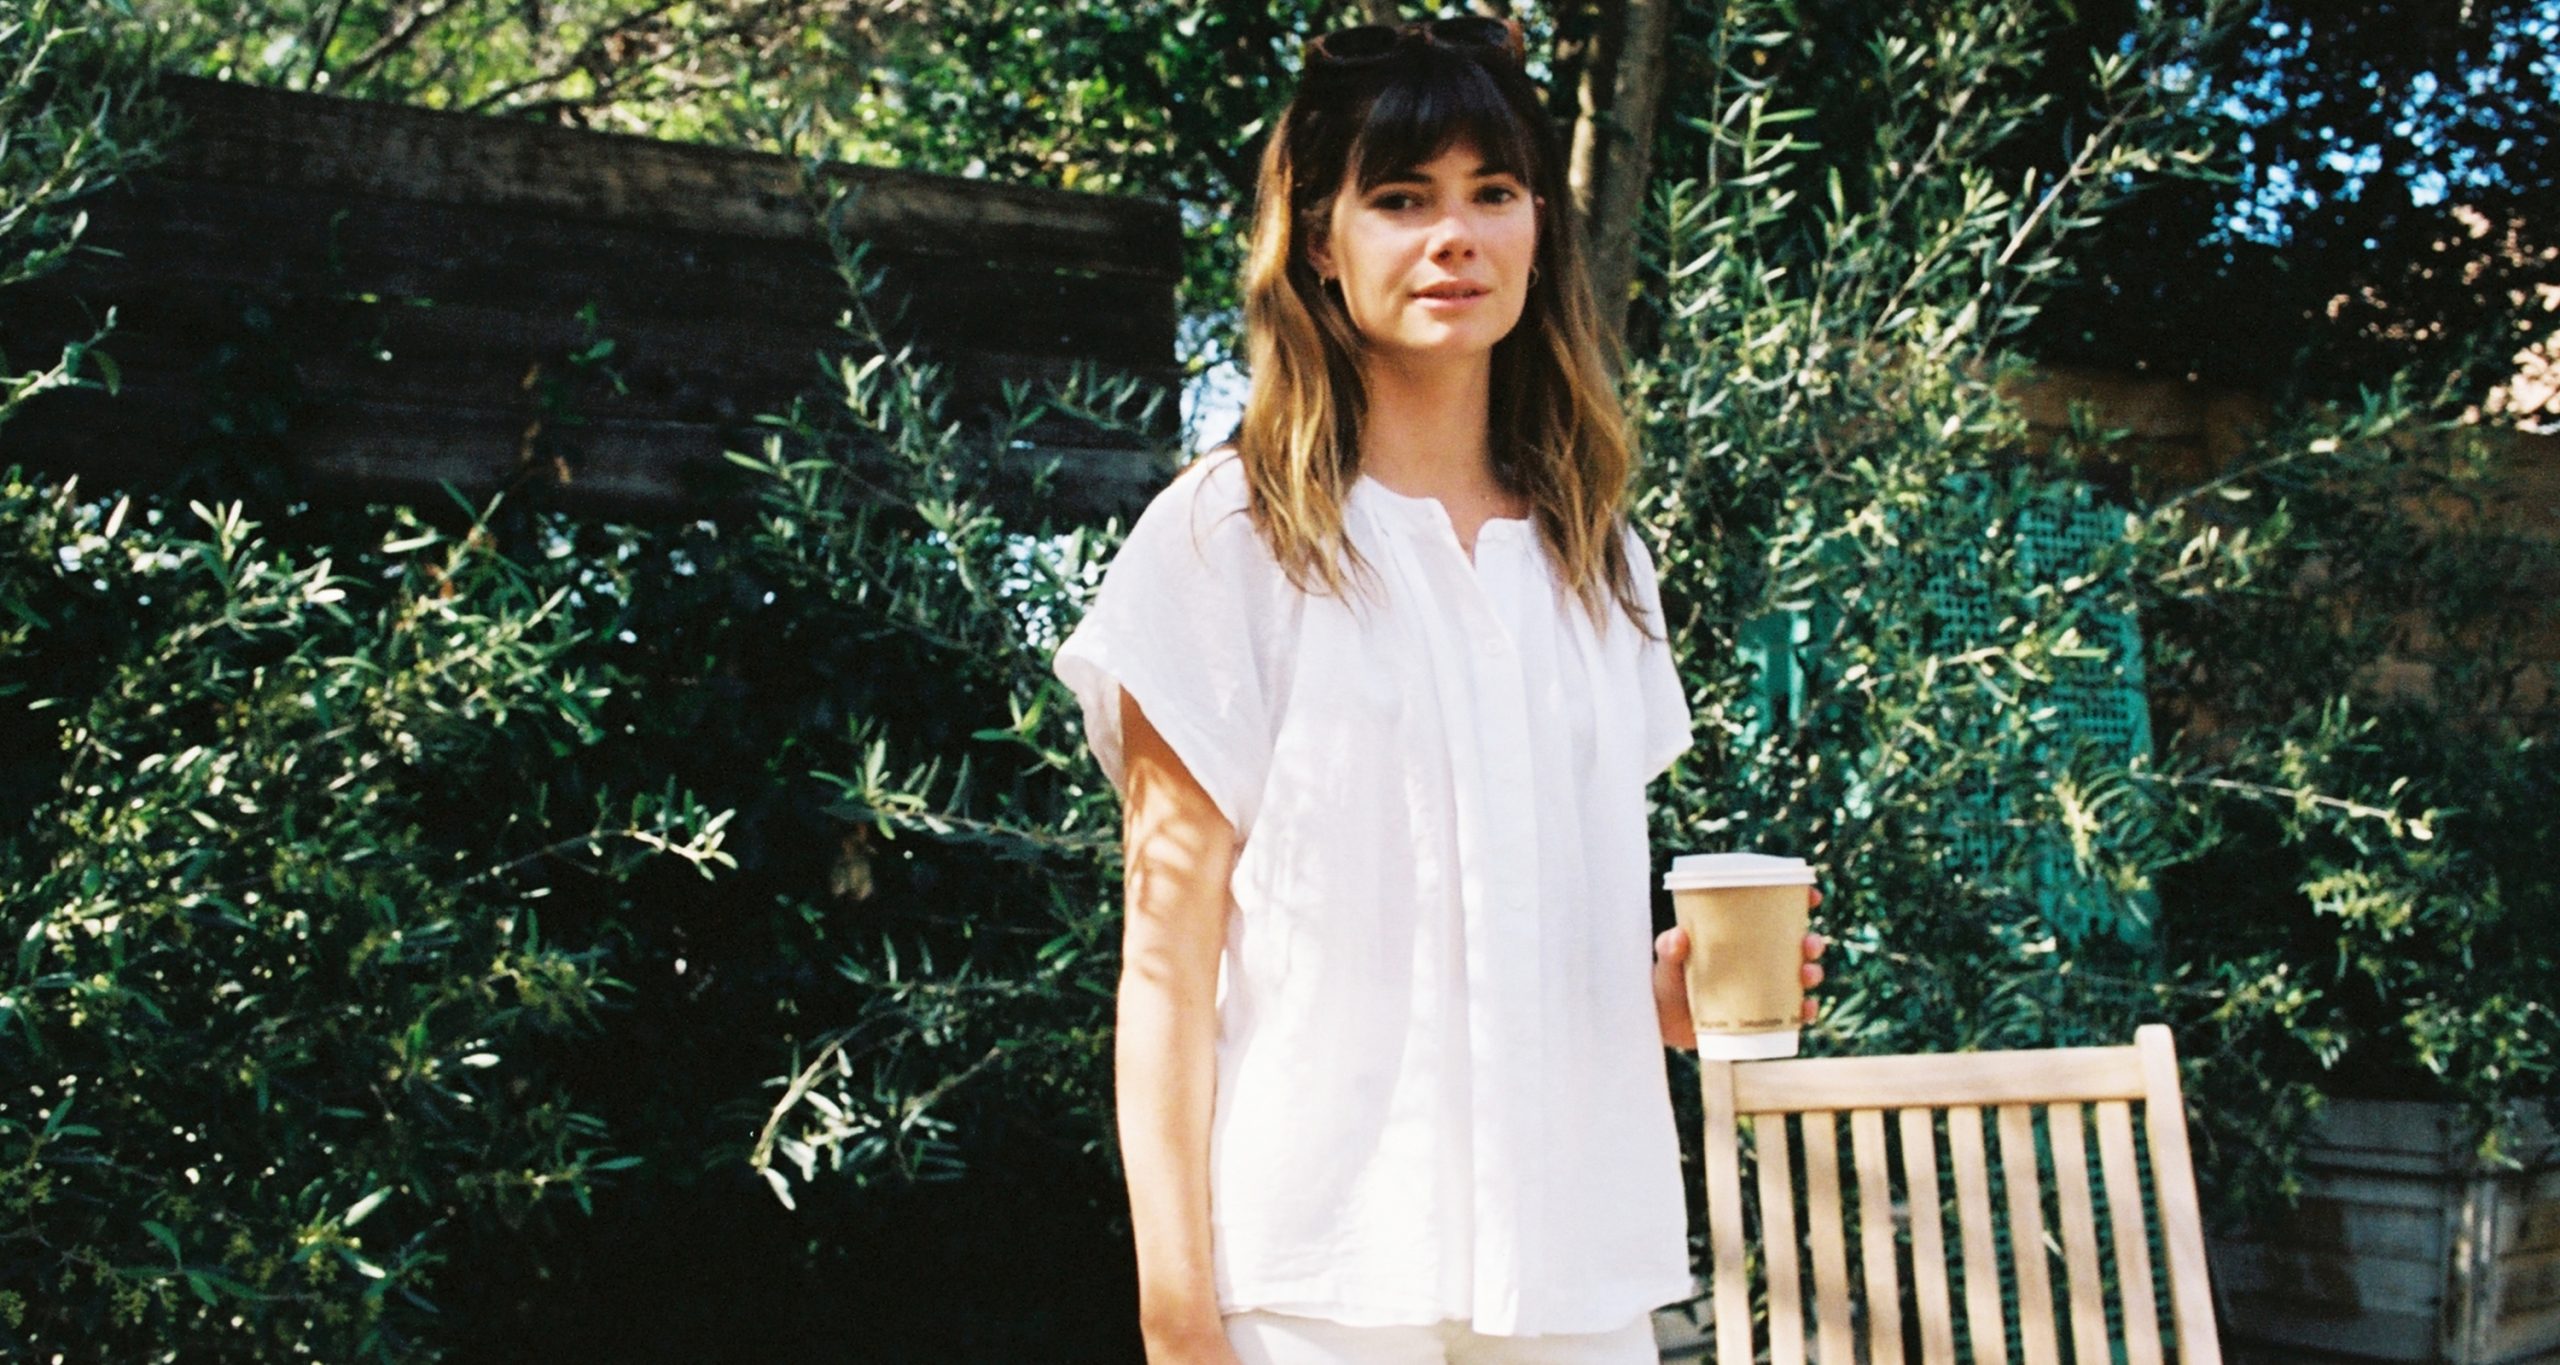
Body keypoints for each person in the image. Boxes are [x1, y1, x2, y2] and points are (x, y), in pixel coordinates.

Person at [1053, 16, 1826, 1365]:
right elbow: (1165, 965)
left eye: (1493, 193)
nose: (1453, 237)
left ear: (1539, 227)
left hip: (1579, 1282)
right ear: (1317, 240)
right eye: (1402, 199)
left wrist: (1663, 1001)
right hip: (1319, 1290)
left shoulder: (1601, 558)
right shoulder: (1225, 538)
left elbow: (1522, 922)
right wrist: (1178, 1323)